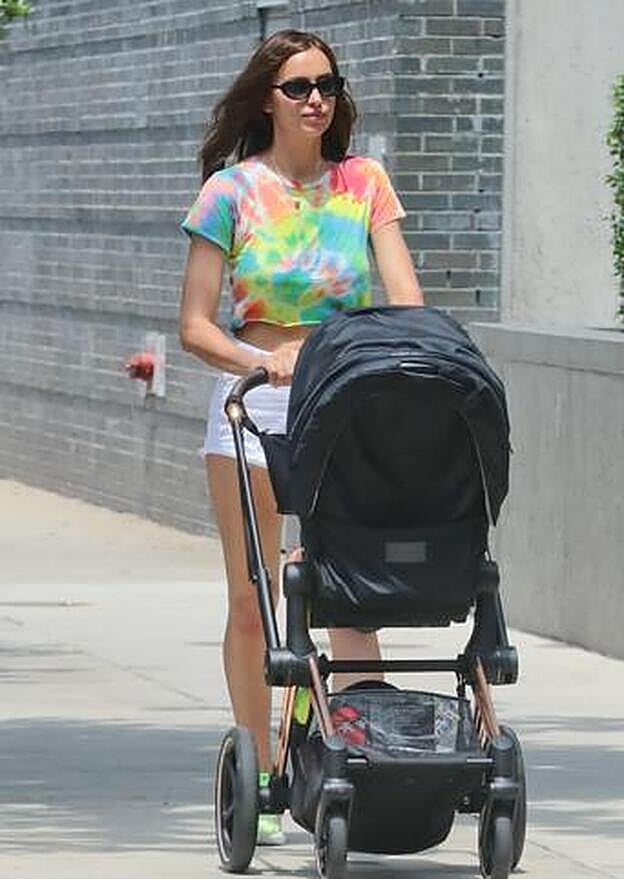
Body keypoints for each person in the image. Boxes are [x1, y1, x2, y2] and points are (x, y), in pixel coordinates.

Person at [179, 29, 423, 844]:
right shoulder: (229, 192)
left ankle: (363, 761)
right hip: (255, 400)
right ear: (266, 99)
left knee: (350, 589)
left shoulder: (365, 185)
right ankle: (265, 766)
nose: (316, 98)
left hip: (346, 395)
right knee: (252, 599)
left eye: (326, 84)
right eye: (297, 87)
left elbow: (407, 303)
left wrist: (402, 358)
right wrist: (265, 359)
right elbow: (194, 327)